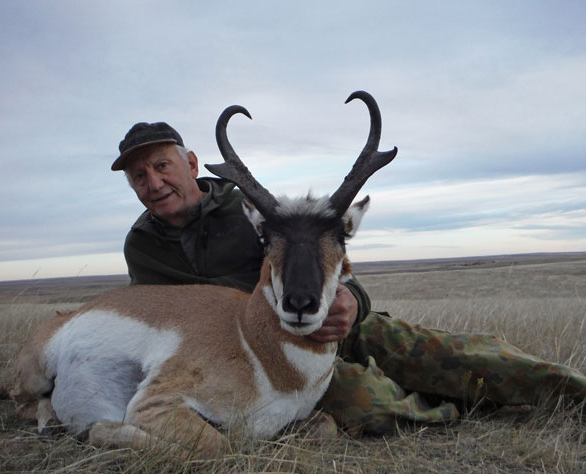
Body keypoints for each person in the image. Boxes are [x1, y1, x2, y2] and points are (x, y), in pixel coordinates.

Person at [112, 121, 586, 435]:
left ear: (190, 164)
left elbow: (331, 256)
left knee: (463, 355)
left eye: (161, 166)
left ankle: (569, 388)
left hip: (341, 322)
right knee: (370, 405)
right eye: (139, 176)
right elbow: (155, 317)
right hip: (270, 360)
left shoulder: (255, 211)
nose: (153, 183)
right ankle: (448, 405)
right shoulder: (142, 247)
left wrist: (352, 304)